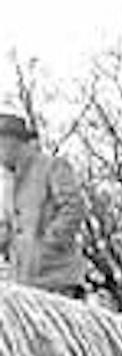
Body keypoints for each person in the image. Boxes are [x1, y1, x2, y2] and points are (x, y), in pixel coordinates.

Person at [0, 111, 85, 298]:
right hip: (23, 281)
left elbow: (73, 208)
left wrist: (49, 244)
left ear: (11, 142)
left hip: (57, 278)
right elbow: (8, 226)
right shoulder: (8, 183)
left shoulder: (51, 167)